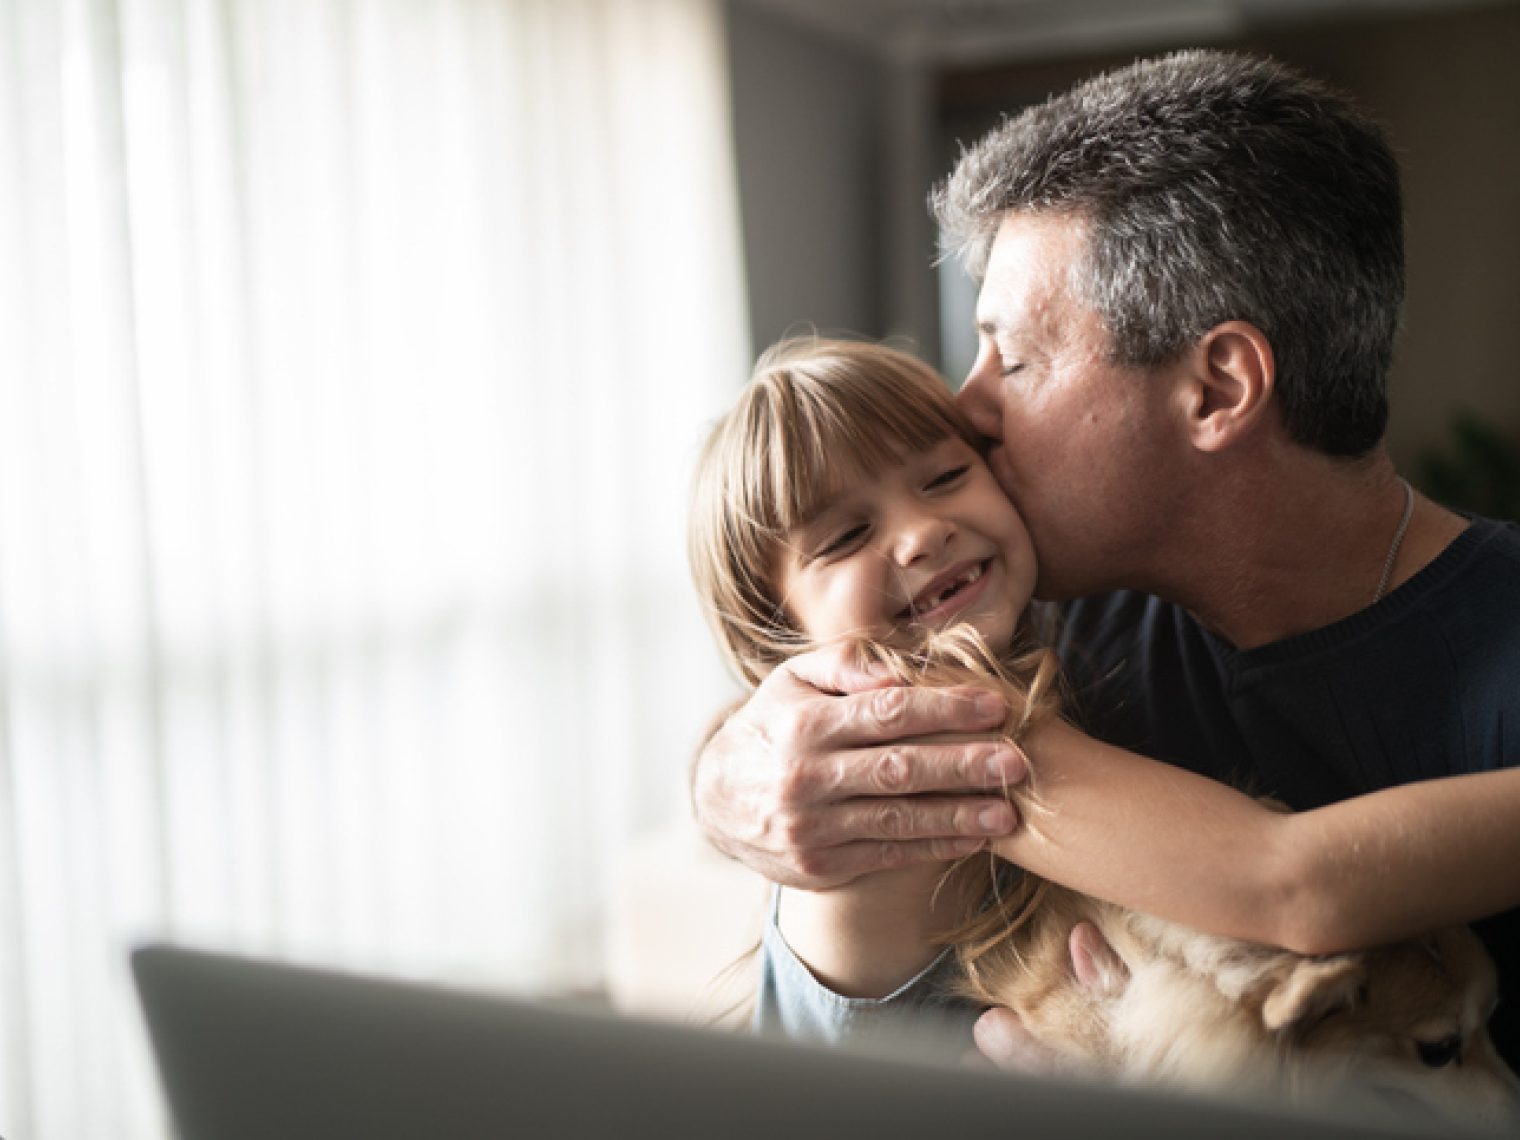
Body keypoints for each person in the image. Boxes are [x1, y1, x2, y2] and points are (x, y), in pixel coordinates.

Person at [689, 49, 1520, 1069]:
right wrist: (728, 771)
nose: (962, 406)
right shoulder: (1028, 641)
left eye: (1017, 358)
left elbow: (1293, 883)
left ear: (1215, 391)